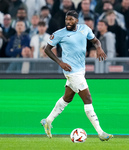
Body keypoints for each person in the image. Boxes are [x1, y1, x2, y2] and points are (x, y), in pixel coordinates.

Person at [40, 10, 113, 141]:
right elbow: (47, 49)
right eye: (66, 20)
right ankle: (100, 132)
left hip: (81, 70)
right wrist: (60, 62)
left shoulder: (84, 29)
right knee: (88, 99)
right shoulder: (59, 34)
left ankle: (48, 121)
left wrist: (99, 48)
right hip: (71, 72)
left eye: (71, 20)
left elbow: (95, 40)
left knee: (67, 98)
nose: (68, 22)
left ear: (77, 20)